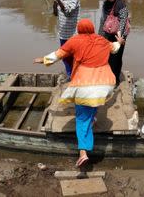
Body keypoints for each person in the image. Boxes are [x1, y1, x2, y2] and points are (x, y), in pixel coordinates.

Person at [34, 19, 124, 167]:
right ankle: (93, 118)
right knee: (94, 100)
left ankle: (83, 152)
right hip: (106, 83)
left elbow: (58, 54)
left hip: (85, 85)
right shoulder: (101, 40)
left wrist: (42, 60)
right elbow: (114, 48)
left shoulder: (74, 41)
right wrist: (120, 41)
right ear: (92, 28)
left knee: (81, 119)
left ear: (79, 29)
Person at [98, 0, 129, 86]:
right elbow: (103, 21)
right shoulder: (105, 5)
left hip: (119, 36)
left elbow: (123, 21)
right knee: (108, 57)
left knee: (116, 58)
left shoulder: (121, 5)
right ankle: (108, 77)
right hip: (108, 34)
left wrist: (120, 36)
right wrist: (99, 37)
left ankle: (115, 79)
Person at [50, 0, 80, 79]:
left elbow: (67, 12)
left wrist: (58, 0)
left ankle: (76, 74)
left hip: (73, 33)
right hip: (62, 33)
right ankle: (69, 74)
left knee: (74, 56)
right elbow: (55, 14)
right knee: (64, 56)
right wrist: (55, 2)